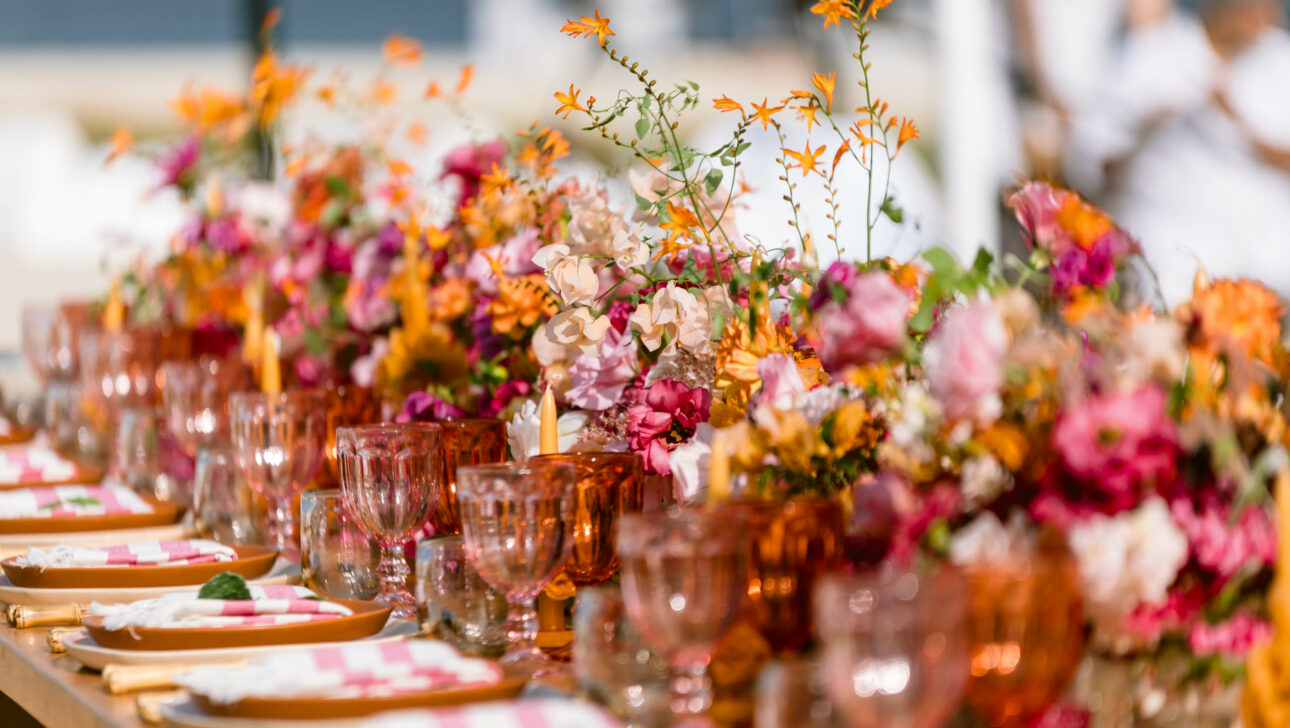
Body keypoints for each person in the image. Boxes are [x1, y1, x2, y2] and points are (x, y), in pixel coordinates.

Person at [1110, 0, 1290, 304]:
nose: (1265, 14)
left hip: (1262, 260)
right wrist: (1152, 125)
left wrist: (1232, 117)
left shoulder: (1279, 60)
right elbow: (1098, 163)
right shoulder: (1160, 49)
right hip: (1168, 247)